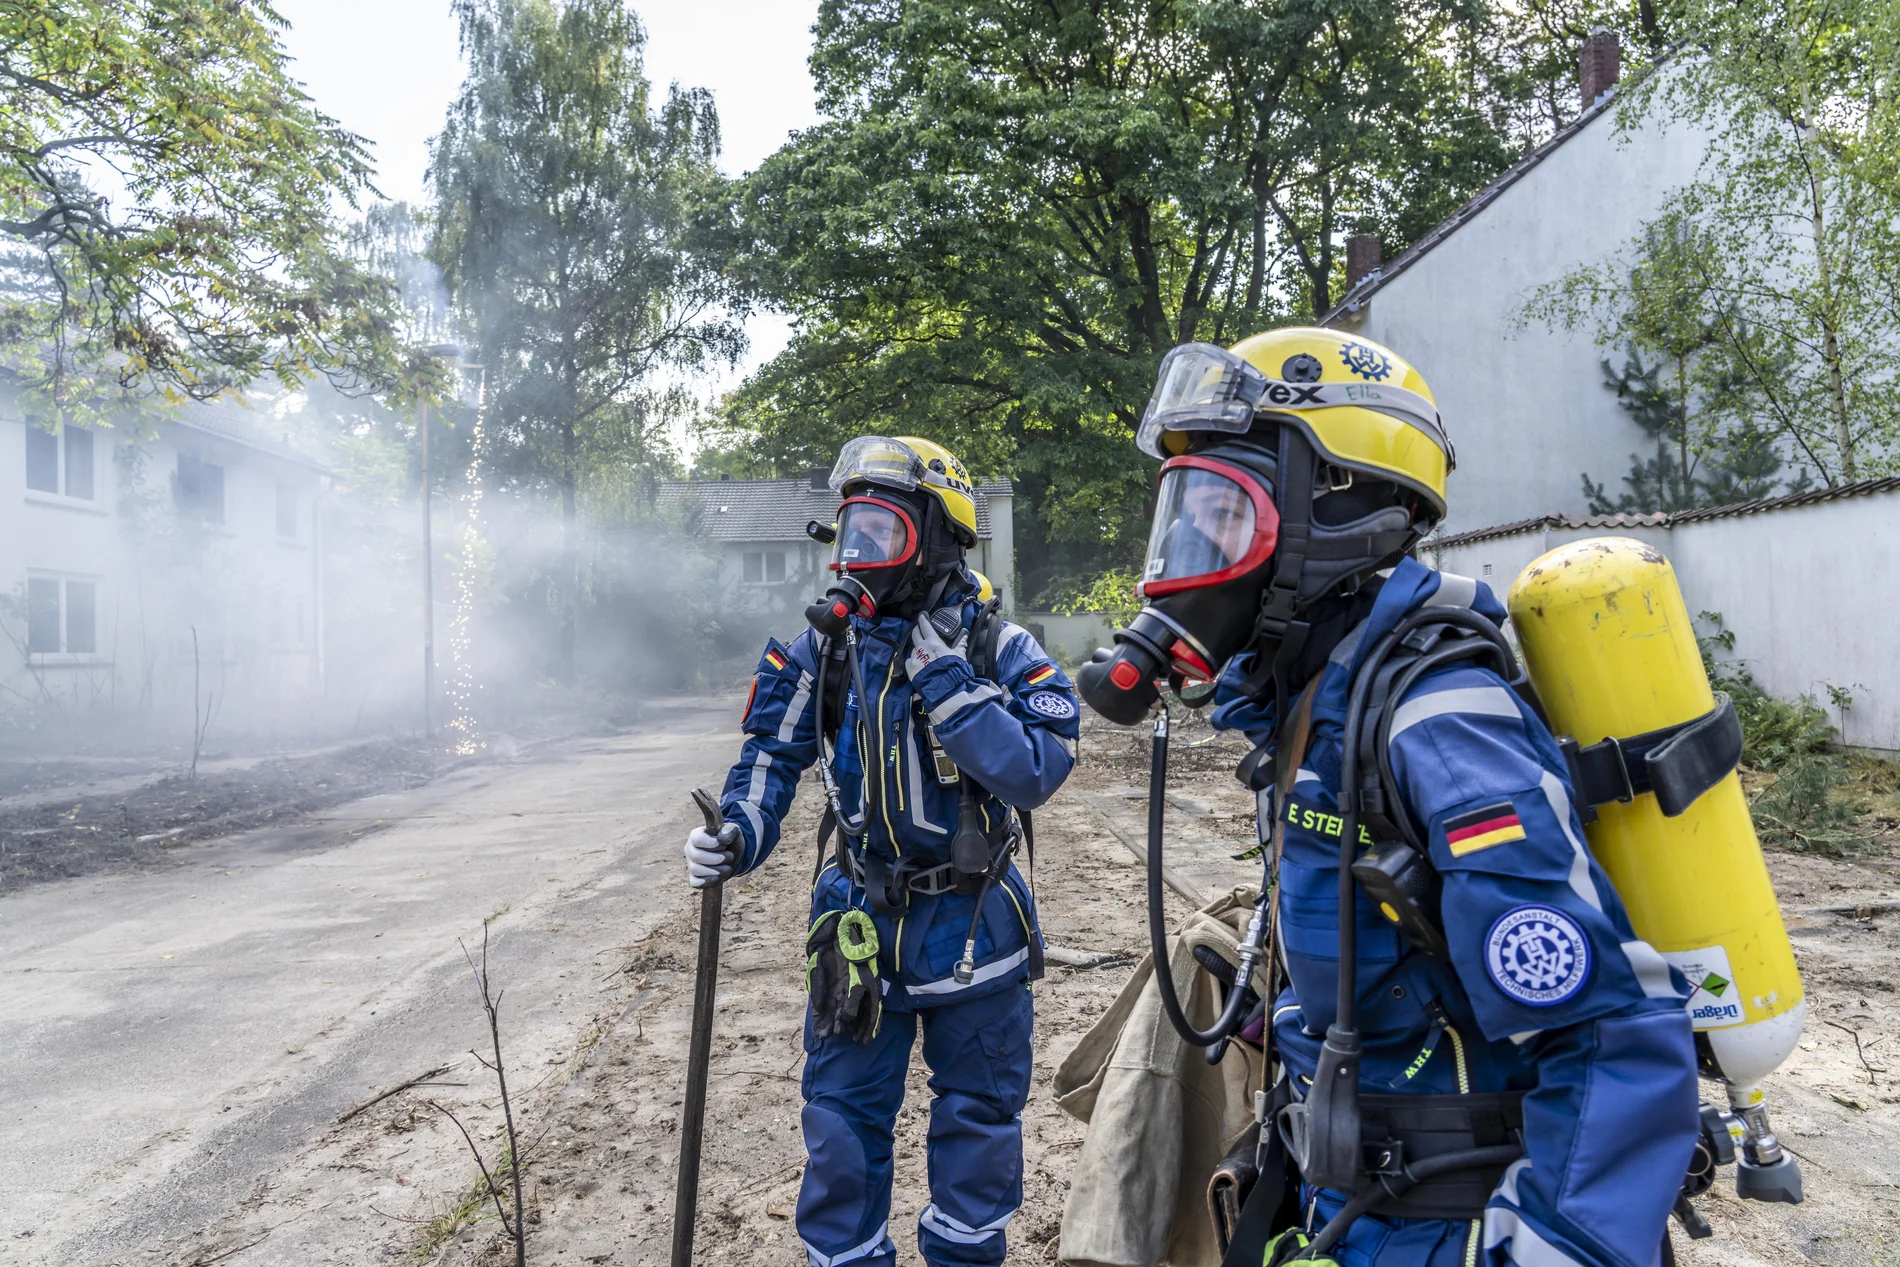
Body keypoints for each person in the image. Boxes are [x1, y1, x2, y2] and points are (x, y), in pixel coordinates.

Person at [1076, 329, 1700, 1267]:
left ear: (1339, 508)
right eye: (1184, 518)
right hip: (1348, 1196)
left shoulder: (1438, 719)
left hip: (1446, 1218)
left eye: (1223, 514)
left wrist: (1551, 1246)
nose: (1190, 556)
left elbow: (1611, 1029)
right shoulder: (1315, 707)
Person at [683, 436, 1081, 1267]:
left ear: (936, 540)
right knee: (839, 1121)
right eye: (851, 530)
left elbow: (1038, 768)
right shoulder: (821, 650)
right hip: (859, 926)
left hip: (977, 930)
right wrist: (734, 834)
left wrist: (944, 681)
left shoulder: (997, 650)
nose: (858, 555)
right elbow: (769, 756)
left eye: (882, 532)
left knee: (978, 1123)